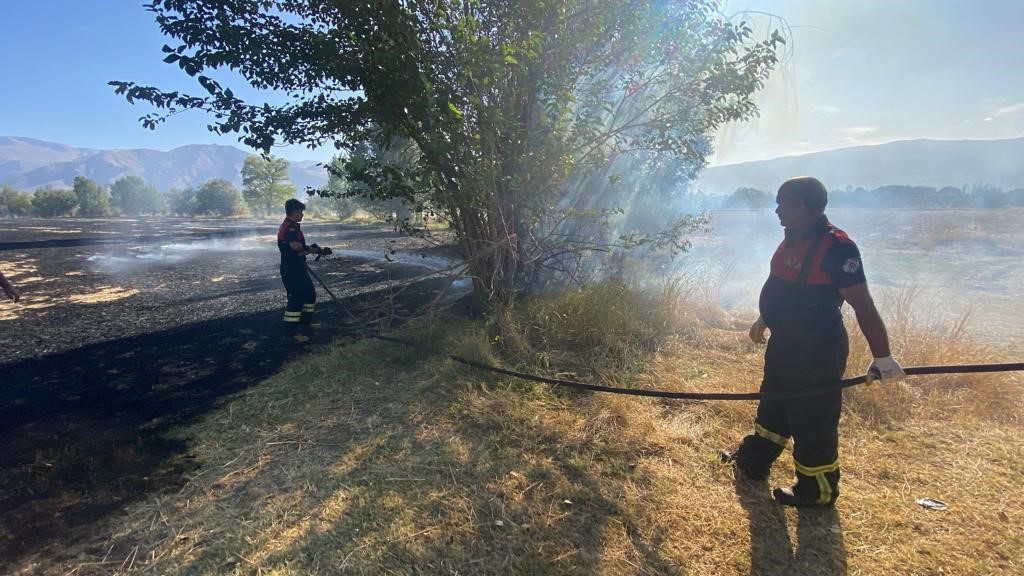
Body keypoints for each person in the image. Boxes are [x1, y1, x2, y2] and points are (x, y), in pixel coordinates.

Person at [723, 176, 904, 508]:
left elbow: (863, 305)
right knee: (774, 401)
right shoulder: (792, 238)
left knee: (813, 417)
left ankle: (817, 490)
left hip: (816, 349)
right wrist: (766, 317)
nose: (776, 210)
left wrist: (883, 358)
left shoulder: (837, 248)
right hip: (785, 343)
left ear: (801, 206)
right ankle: (756, 459)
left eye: (781, 203)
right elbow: (785, 286)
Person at [277, 198, 330, 343]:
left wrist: (317, 251)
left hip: (298, 268)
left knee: (309, 294)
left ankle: (305, 325)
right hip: (292, 269)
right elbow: (295, 246)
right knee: (296, 299)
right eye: (301, 211)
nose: (303, 214)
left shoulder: (293, 226)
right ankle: (291, 333)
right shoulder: (290, 227)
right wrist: (312, 249)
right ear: (294, 211)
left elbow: (299, 248)